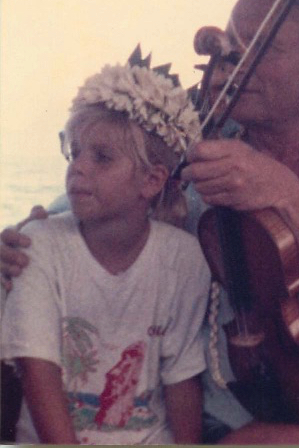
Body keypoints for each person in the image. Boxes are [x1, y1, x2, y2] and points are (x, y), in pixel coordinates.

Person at [1, 0, 299, 444]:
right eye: (232, 44)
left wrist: (283, 193)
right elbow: (92, 206)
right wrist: (23, 238)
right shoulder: (195, 143)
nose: (235, 62)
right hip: (227, 388)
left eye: (263, 47)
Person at [0, 51, 211, 444]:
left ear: (151, 181)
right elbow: (36, 370)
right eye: (74, 152)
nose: (77, 167)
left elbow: (181, 380)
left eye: (102, 157)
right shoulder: (39, 246)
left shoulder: (183, 259)